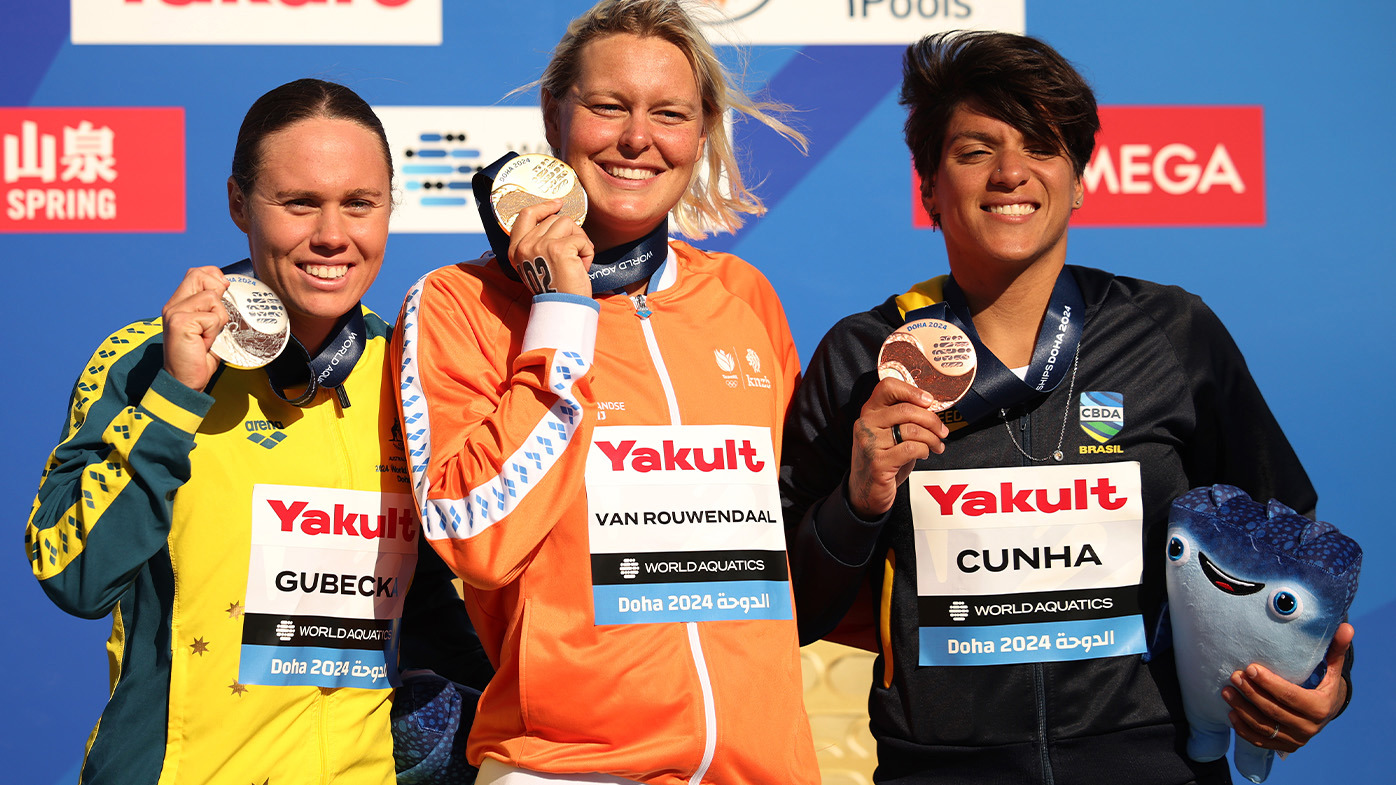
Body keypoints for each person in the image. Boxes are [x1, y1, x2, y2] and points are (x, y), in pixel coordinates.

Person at [780, 31, 1354, 785]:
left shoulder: (1171, 331)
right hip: (941, 771)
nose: (1010, 172)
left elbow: (1288, 541)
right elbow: (788, 608)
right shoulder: (865, 357)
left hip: (1156, 766)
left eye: (1041, 147)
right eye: (975, 151)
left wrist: (1322, 684)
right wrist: (857, 504)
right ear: (928, 187)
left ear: (1078, 180)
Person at [392, 1, 820, 783]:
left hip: (760, 769)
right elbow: (476, 539)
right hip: (567, 767)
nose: (637, 138)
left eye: (669, 113)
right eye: (608, 106)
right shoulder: (461, 305)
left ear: (702, 132)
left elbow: (795, 541)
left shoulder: (743, 296)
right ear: (553, 116)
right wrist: (561, 312)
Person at [24, 78, 487, 785]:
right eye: (299, 202)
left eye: (359, 203)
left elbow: (426, 597)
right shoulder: (146, 362)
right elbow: (75, 575)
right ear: (239, 203)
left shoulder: (411, 371)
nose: (331, 235)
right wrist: (176, 396)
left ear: (390, 206)